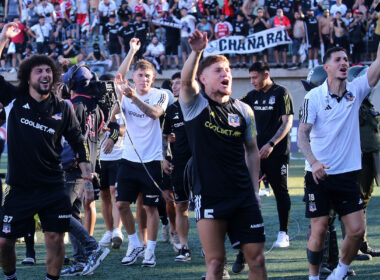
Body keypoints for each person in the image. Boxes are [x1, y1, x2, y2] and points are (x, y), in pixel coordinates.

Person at [0, 23, 92, 280]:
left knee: (55, 239)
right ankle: (10, 277)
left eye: (48, 71)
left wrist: (87, 177)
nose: (45, 74)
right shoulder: (14, 100)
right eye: (38, 70)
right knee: (4, 243)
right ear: (27, 76)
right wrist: (3, 39)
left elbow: (78, 143)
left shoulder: (63, 107)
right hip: (18, 187)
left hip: (53, 186)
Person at [180, 30, 267, 280]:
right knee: (216, 263)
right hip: (209, 194)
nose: (225, 73)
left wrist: (254, 191)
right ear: (203, 79)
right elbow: (186, 83)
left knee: (257, 260)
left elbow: (252, 152)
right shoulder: (195, 104)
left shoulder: (244, 110)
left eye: (227, 69)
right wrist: (197, 52)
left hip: (242, 194)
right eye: (218, 70)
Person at [297, 44, 380, 280]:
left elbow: (378, 64)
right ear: (327, 67)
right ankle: (314, 277)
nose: (344, 62)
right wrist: (313, 163)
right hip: (317, 175)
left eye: (346, 59)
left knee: (357, 231)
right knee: (319, 230)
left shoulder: (357, 90)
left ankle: (339, 271)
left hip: (347, 175)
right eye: (338, 60)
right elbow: (302, 136)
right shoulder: (313, 97)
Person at [113, 38, 169, 268]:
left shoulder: (161, 94)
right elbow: (118, 77)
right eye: (140, 75)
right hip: (128, 159)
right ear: (133, 77)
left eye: (148, 76)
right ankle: (135, 243)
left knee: (150, 207)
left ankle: (150, 251)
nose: (144, 79)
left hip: (153, 160)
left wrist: (134, 97)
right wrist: (132, 51)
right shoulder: (125, 93)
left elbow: (155, 114)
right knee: (122, 205)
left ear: (153, 78)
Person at [60, 64, 112, 276]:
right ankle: (81, 261)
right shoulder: (98, 107)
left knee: (58, 211)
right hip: (87, 166)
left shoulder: (72, 105)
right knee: (72, 211)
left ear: (72, 84)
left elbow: (69, 137)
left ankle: (93, 247)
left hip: (74, 165)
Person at [242, 62, 294, 247]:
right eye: (250, 78)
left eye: (255, 77)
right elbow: (235, 109)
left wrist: (271, 144)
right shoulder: (251, 96)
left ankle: (283, 233)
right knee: (251, 192)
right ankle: (256, 229)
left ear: (266, 75)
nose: (252, 81)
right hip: (255, 154)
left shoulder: (281, 93)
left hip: (276, 152)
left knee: (280, 191)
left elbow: (287, 122)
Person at [162, 72, 192, 262]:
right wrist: (164, 157)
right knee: (181, 206)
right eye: (173, 83)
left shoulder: (199, 105)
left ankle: (209, 245)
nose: (174, 86)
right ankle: (184, 247)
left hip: (200, 163)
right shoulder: (171, 110)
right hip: (178, 164)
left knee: (206, 206)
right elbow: (165, 136)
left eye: (178, 83)